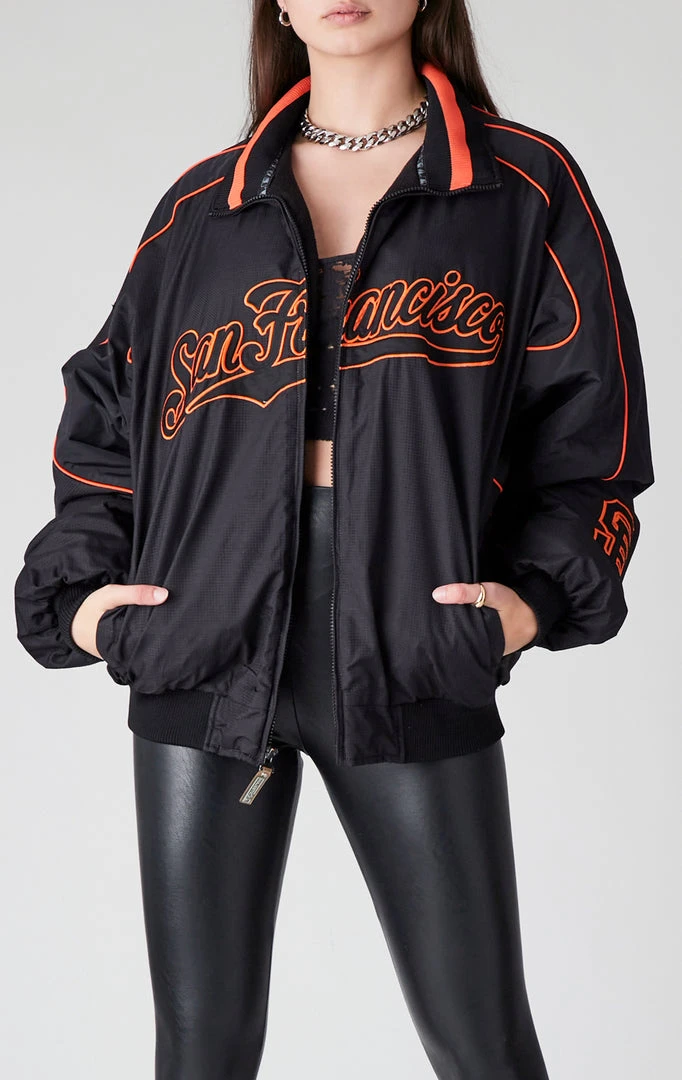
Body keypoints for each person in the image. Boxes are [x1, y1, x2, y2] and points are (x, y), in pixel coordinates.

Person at [14, 1, 654, 1077]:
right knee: (199, 1049)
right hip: (203, 645)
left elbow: (594, 435)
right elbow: (105, 420)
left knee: (483, 1044)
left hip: (407, 645)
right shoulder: (202, 208)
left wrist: (532, 600)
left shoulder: (519, 187)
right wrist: (80, 600)